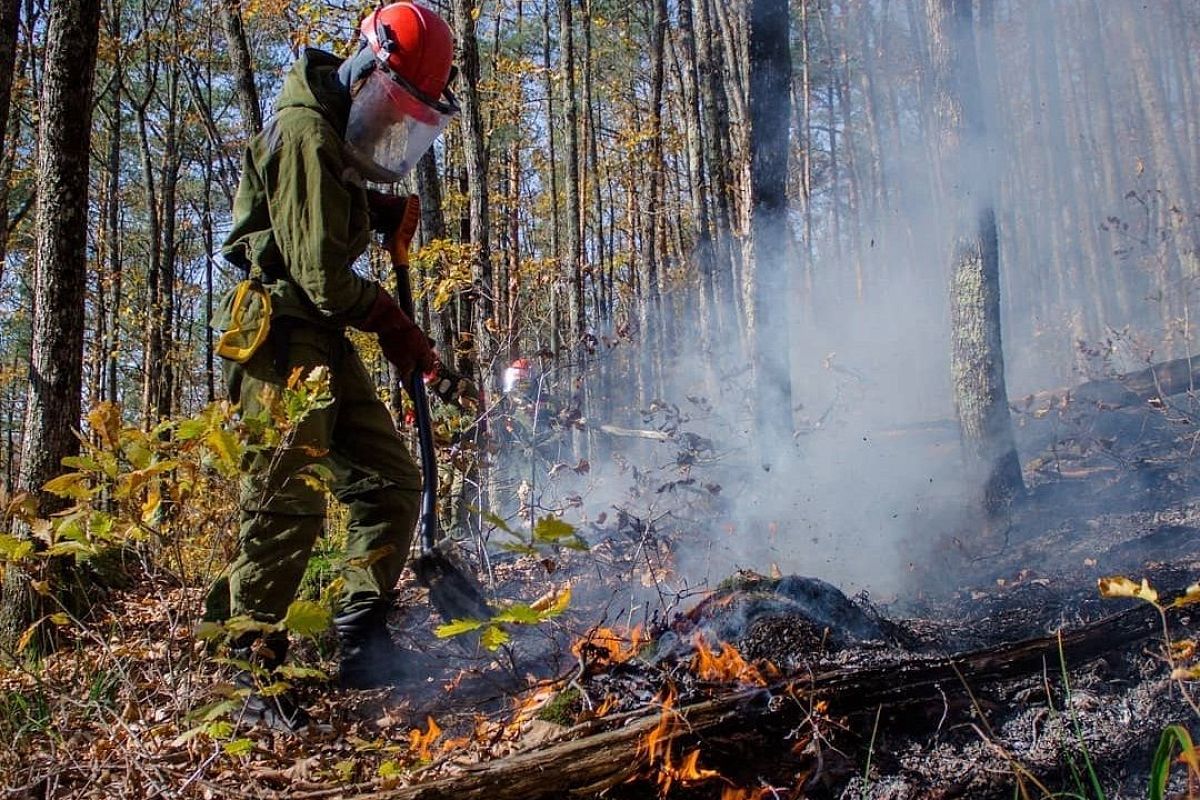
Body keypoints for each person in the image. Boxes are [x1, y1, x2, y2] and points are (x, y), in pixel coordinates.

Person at [210, 2, 459, 731]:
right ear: (367, 66)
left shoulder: (332, 129)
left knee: (390, 480)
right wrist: (391, 320)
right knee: (287, 498)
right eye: (392, 102)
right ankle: (245, 659)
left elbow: (318, 214)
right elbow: (318, 270)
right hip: (281, 328)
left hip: (316, 327)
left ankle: (360, 637)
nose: (391, 121)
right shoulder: (303, 131)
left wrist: (377, 214)